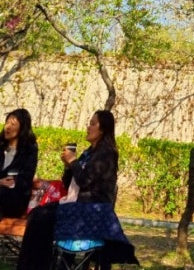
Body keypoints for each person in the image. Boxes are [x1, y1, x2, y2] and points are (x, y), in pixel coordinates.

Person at [17, 110, 137, 269]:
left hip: (92, 209)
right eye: (89, 123)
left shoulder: (106, 153)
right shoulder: (89, 153)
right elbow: (70, 184)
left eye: (93, 124)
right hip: (77, 204)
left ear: (103, 129)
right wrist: (68, 166)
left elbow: (85, 180)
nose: (88, 127)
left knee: (41, 217)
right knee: (37, 215)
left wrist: (73, 161)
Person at [0, 108, 38, 217]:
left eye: (13, 124)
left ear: (22, 128)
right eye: (7, 123)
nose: (7, 127)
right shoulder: (1, 145)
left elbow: (26, 179)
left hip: (15, 198)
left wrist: (9, 182)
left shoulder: (29, 149)